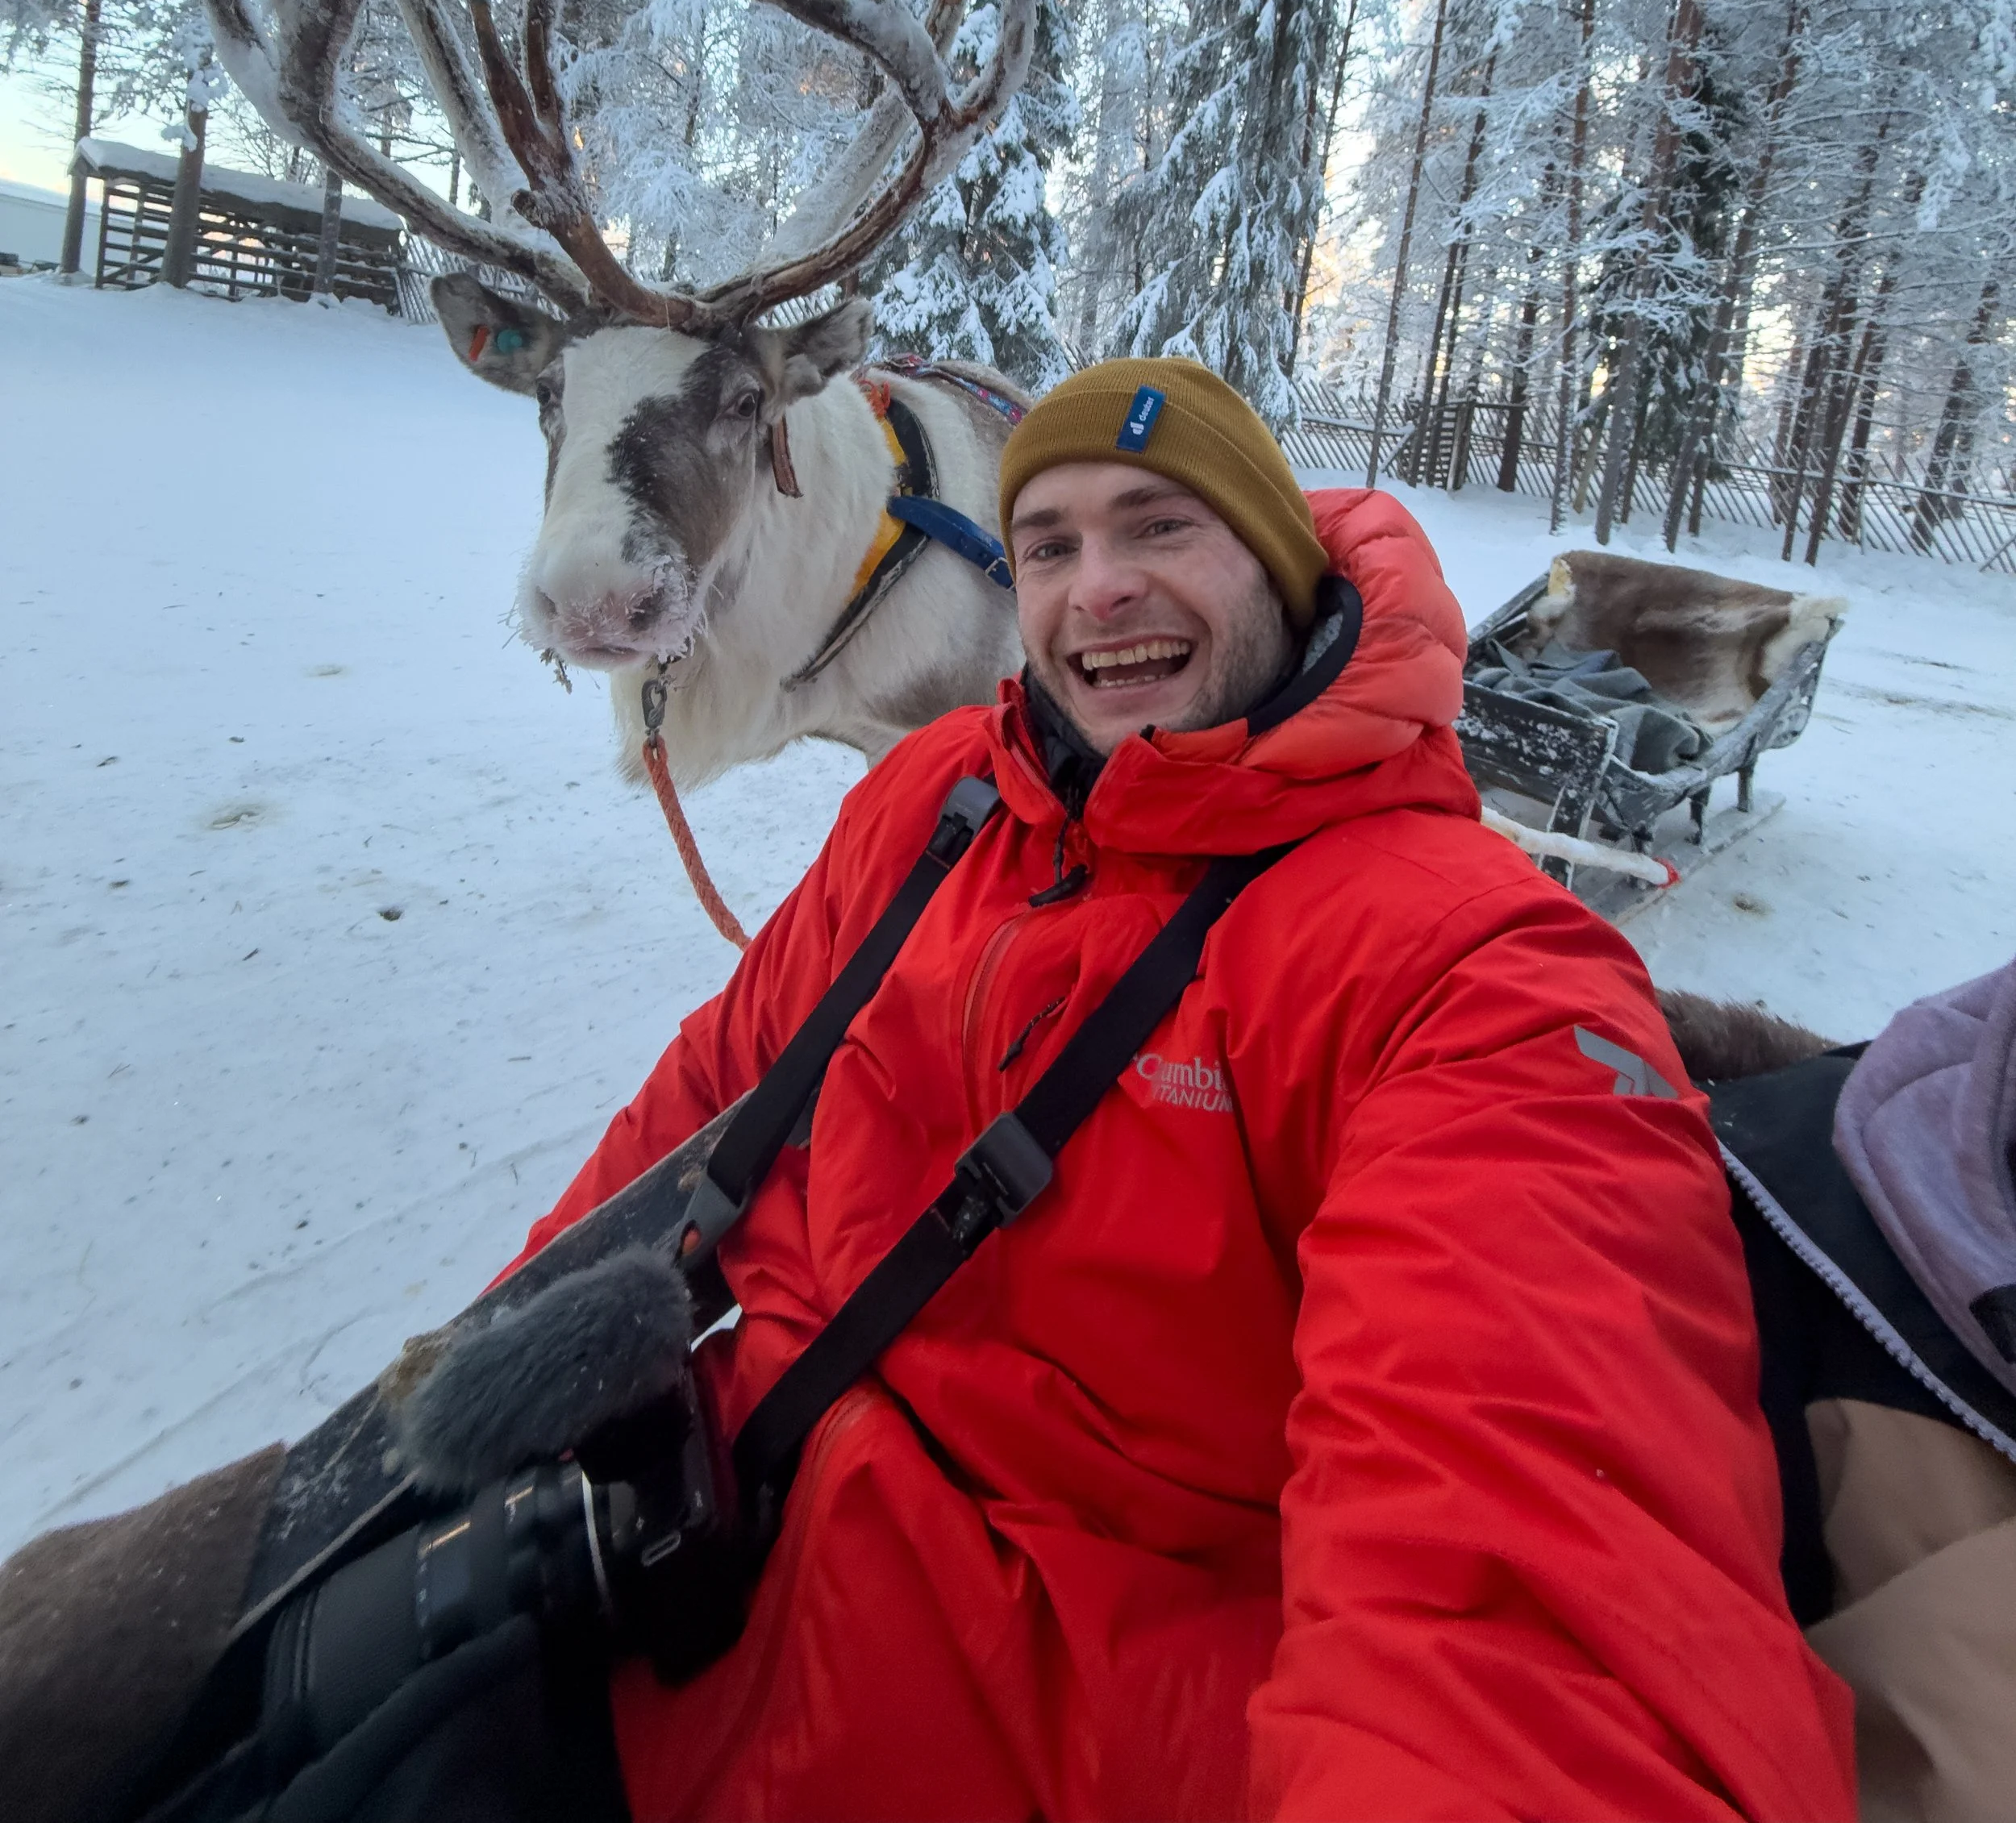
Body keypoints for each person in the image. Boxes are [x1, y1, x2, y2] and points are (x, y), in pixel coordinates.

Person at [504, 356, 1856, 1823]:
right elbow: (715, 1089)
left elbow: (1530, 1596)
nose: (1099, 589)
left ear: (1276, 561)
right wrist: (515, 1345)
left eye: (1160, 528)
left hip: (1023, 1716)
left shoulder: (1473, 970)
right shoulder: (941, 796)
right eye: (1049, 546)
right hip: (675, 1541)